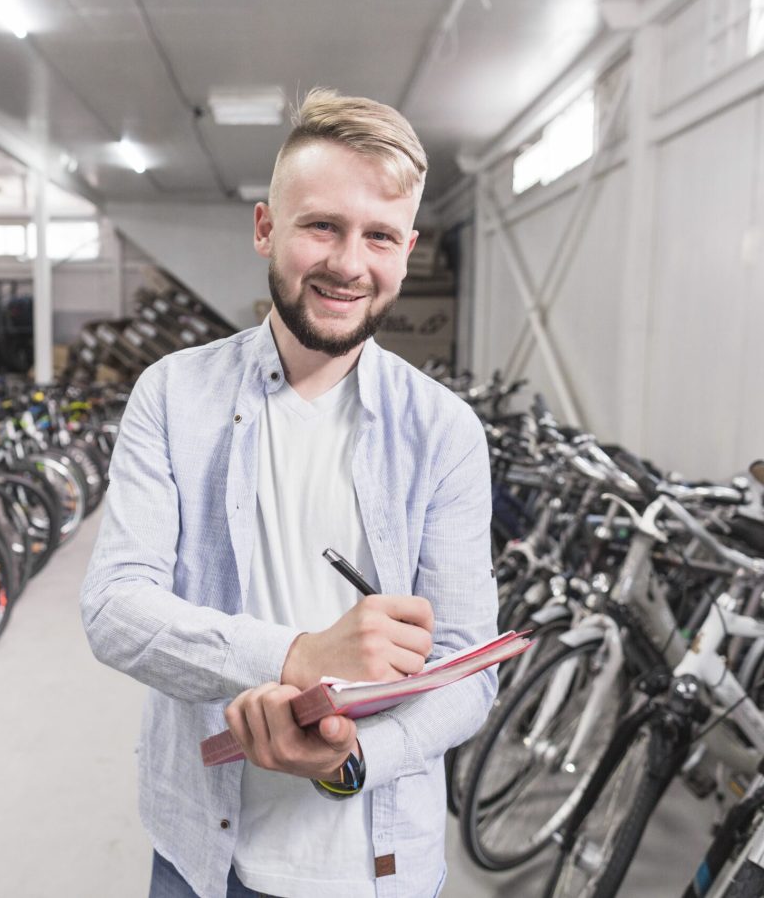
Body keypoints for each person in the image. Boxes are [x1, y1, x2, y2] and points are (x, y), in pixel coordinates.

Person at [81, 88, 498, 898]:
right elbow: (114, 607)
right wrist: (298, 656)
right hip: (203, 855)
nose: (348, 262)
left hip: (377, 865)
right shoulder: (173, 396)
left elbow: (466, 673)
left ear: (406, 249)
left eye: (378, 235)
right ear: (267, 227)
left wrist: (350, 760)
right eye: (321, 226)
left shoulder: (444, 432)